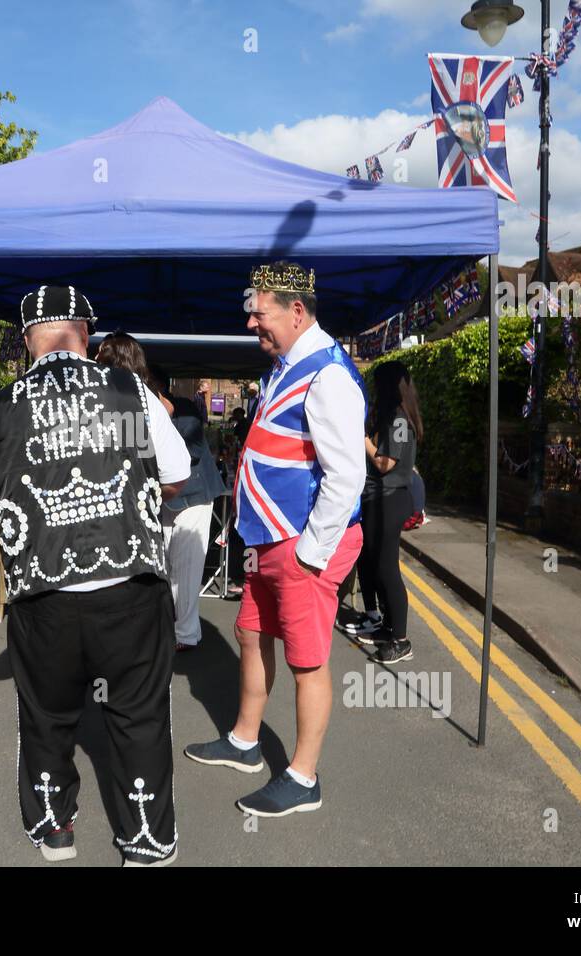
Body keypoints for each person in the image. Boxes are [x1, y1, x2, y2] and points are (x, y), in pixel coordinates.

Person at [0, 286, 190, 865]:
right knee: (138, 716)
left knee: (48, 716)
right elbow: (179, 471)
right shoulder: (130, 389)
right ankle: (145, 840)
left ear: (27, 340)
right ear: (84, 331)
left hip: (43, 597)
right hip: (130, 588)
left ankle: (55, 829)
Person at [184, 261, 366, 818]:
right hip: (268, 539)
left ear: (295, 311)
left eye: (258, 316)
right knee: (250, 635)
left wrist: (310, 554)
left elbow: (347, 476)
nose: (251, 326)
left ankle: (303, 777)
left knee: (306, 661)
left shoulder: (327, 373)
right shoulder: (290, 365)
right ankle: (244, 741)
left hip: (299, 543)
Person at [95, 337, 227, 651]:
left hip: (193, 495)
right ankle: (172, 627)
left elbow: (190, 451)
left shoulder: (181, 410)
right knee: (167, 565)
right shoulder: (130, 407)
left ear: (156, 384)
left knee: (187, 566)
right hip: (165, 499)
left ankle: (186, 635)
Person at [345, 361, 422, 664]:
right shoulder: (393, 417)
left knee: (388, 569)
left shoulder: (399, 420)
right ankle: (388, 627)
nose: (374, 391)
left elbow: (384, 463)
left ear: (390, 387)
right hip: (379, 498)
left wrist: (361, 437)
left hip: (391, 499)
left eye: (378, 385)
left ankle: (401, 641)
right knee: (377, 565)